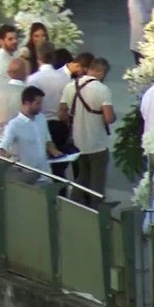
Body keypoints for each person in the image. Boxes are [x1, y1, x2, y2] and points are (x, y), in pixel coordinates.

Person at [59, 58, 116, 207]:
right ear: (101, 72)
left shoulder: (70, 87)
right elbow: (109, 118)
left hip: (78, 142)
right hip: (97, 142)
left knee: (82, 175)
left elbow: (61, 113)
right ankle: (97, 210)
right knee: (97, 178)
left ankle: (71, 205)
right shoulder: (103, 90)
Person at [0, 86, 65, 182]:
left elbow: (47, 140)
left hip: (46, 173)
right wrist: (7, 156)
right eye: (37, 103)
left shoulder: (41, 118)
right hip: (27, 176)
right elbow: (2, 147)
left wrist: (55, 152)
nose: (40, 107)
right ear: (26, 103)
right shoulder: (14, 125)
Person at [26, 42, 73, 183]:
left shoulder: (32, 79)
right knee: (59, 168)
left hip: (40, 126)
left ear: (38, 57)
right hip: (60, 127)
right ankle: (61, 197)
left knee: (41, 168)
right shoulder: (64, 78)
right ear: (54, 57)